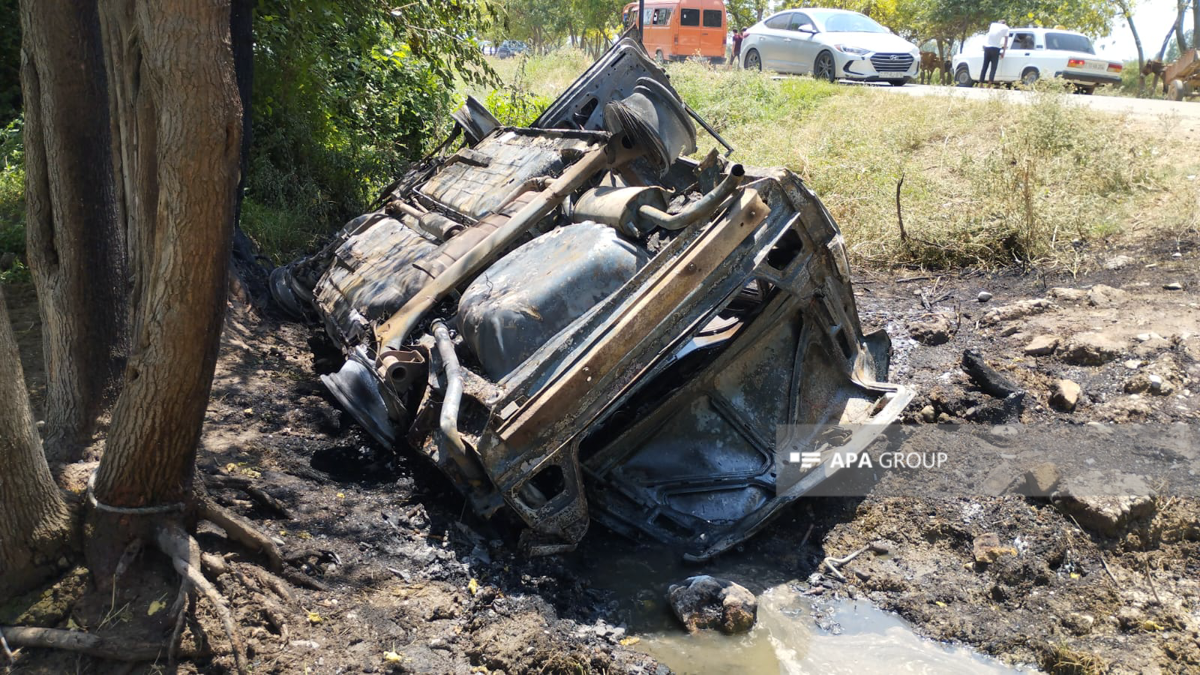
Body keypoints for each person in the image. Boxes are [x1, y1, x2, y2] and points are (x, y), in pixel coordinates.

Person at [981, 19, 1009, 86]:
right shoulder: (1006, 28)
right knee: (993, 67)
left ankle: (981, 84)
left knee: (985, 66)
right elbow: (1006, 41)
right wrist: (1003, 52)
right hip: (995, 48)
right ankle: (989, 84)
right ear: (1004, 23)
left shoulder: (993, 25)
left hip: (987, 47)